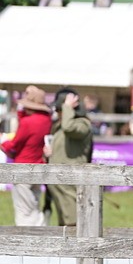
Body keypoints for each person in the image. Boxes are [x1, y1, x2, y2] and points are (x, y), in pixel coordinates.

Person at [2, 86, 52, 226]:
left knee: (24, 208)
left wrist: (3, 143)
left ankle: (28, 236)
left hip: (23, 167)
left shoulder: (27, 122)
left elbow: (15, 143)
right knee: (34, 201)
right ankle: (40, 229)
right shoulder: (46, 119)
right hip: (38, 164)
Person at [43, 88, 93, 227]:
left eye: (60, 109)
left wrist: (67, 106)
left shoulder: (82, 124)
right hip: (59, 184)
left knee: (74, 224)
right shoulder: (59, 126)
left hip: (71, 184)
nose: (59, 113)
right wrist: (48, 153)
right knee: (63, 225)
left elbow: (69, 128)